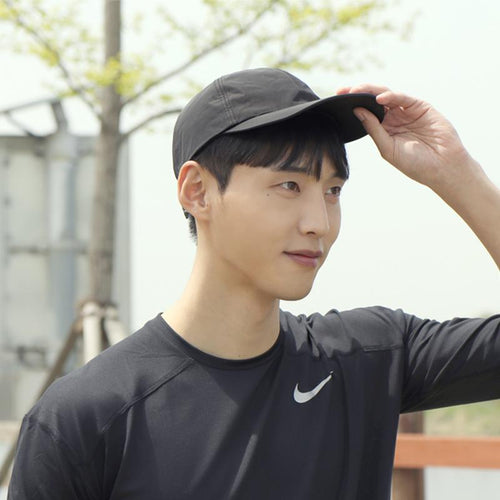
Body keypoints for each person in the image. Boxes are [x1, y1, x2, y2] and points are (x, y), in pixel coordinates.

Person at [8, 68, 500, 499]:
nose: (319, 222)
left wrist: (457, 173)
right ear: (197, 192)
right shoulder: (84, 418)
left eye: (332, 191)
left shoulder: (367, 357)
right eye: (289, 185)